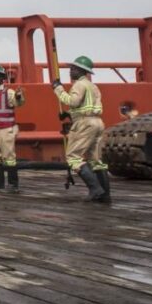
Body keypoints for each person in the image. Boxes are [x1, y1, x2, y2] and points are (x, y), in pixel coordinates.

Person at [52, 55, 111, 202]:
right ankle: (105, 194)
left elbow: (73, 101)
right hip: (97, 122)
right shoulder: (93, 87)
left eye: (73, 68)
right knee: (96, 160)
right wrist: (69, 114)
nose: (70, 71)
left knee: (73, 157)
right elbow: (86, 106)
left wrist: (58, 89)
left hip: (84, 124)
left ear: (81, 70)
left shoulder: (79, 85)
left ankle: (95, 189)